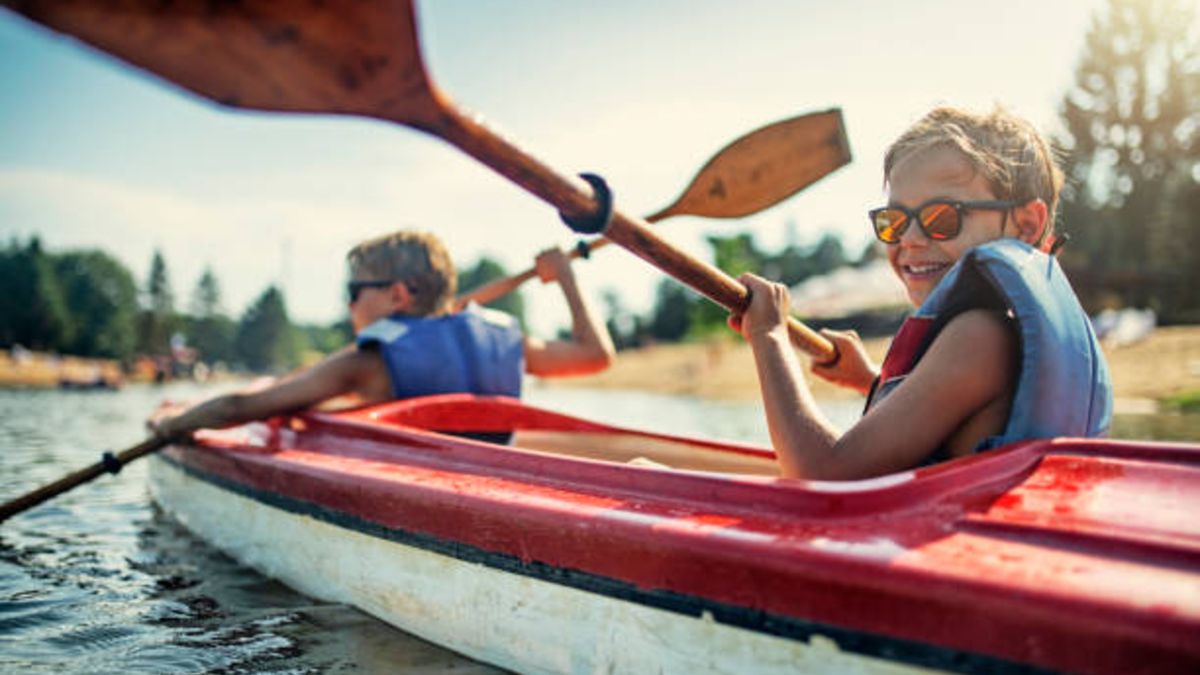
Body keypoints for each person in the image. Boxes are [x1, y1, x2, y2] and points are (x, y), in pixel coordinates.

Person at [730, 106, 1112, 480]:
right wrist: (872, 381)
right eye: (894, 222)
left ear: (1026, 225)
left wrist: (769, 335)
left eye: (942, 217)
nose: (910, 240)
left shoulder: (979, 337)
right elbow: (955, 415)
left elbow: (821, 471)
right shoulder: (993, 337)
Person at [151, 230, 615, 438]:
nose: (348, 304)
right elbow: (595, 355)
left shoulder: (365, 363)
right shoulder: (504, 342)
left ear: (397, 296)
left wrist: (172, 423)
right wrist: (567, 279)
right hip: (498, 483)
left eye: (354, 290)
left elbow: (240, 408)